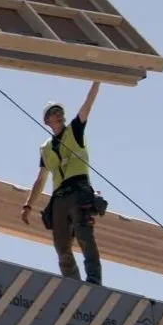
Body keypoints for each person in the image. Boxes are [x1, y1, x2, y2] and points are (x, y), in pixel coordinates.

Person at [20, 82, 102, 285]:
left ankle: (93, 281)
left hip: (78, 192)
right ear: (47, 121)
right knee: (61, 246)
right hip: (60, 199)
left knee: (85, 238)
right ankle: (72, 284)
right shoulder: (45, 148)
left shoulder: (74, 130)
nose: (59, 115)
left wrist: (97, 81)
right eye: (54, 113)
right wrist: (28, 205)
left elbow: (88, 104)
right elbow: (41, 179)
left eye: (60, 112)